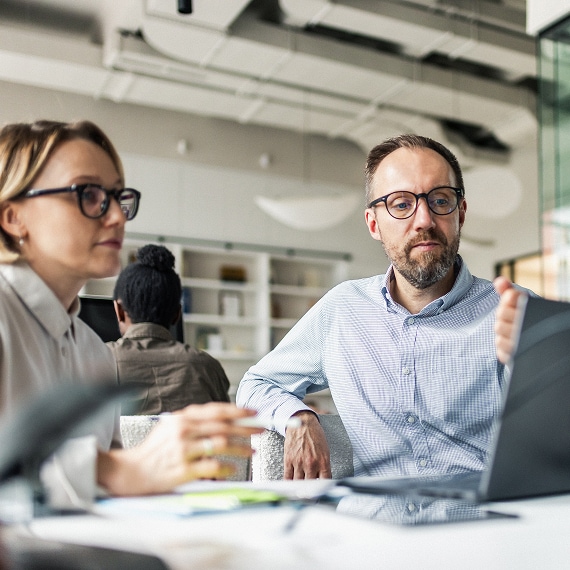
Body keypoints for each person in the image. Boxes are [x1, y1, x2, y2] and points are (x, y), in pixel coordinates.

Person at [0, 119, 261, 508]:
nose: (118, 217)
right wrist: (116, 470)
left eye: (117, 196)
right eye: (88, 194)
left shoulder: (92, 349)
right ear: (13, 217)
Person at [237, 133, 516, 480]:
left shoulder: (511, 311)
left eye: (440, 200)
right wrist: (298, 417)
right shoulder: (342, 309)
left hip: (483, 526)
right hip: (374, 528)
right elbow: (256, 385)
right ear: (373, 224)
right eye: (401, 204)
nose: (424, 220)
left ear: (460, 212)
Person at [108, 243, 230, 413]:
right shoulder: (207, 367)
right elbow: (226, 429)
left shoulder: (95, 360)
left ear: (119, 311)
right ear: (177, 314)